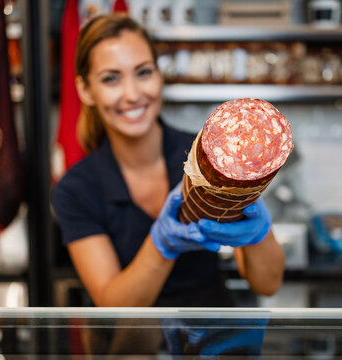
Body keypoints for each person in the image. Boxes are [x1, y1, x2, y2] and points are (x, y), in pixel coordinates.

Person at [51, 13, 285, 311]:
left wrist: (258, 232)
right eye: (111, 78)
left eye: (143, 72)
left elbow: (267, 285)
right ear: (85, 90)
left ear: (159, 76)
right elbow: (112, 305)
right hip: (133, 349)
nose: (133, 94)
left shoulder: (209, 157)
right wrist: (162, 244)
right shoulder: (74, 189)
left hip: (211, 340)